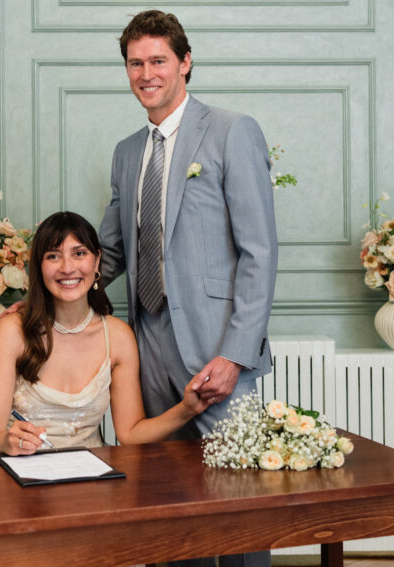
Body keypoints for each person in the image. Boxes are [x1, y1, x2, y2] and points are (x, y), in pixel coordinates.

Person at [97, 10, 277, 566]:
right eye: (135, 63)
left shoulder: (231, 130)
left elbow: (259, 251)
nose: (146, 73)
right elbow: (109, 253)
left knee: (244, 496)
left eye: (158, 60)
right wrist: (36, 289)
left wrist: (234, 355)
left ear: (185, 63)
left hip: (217, 344)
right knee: (167, 495)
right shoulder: (128, 152)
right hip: (147, 339)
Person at [0, 211, 210, 456]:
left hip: (92, 479)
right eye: (53, 256)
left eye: (79, 253)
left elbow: (130, 434)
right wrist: (4, 441)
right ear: (39, 267)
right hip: (22, 477)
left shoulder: (118, 337)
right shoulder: (11, 330)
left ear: (96, 261)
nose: (67, 267)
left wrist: (186, 409)